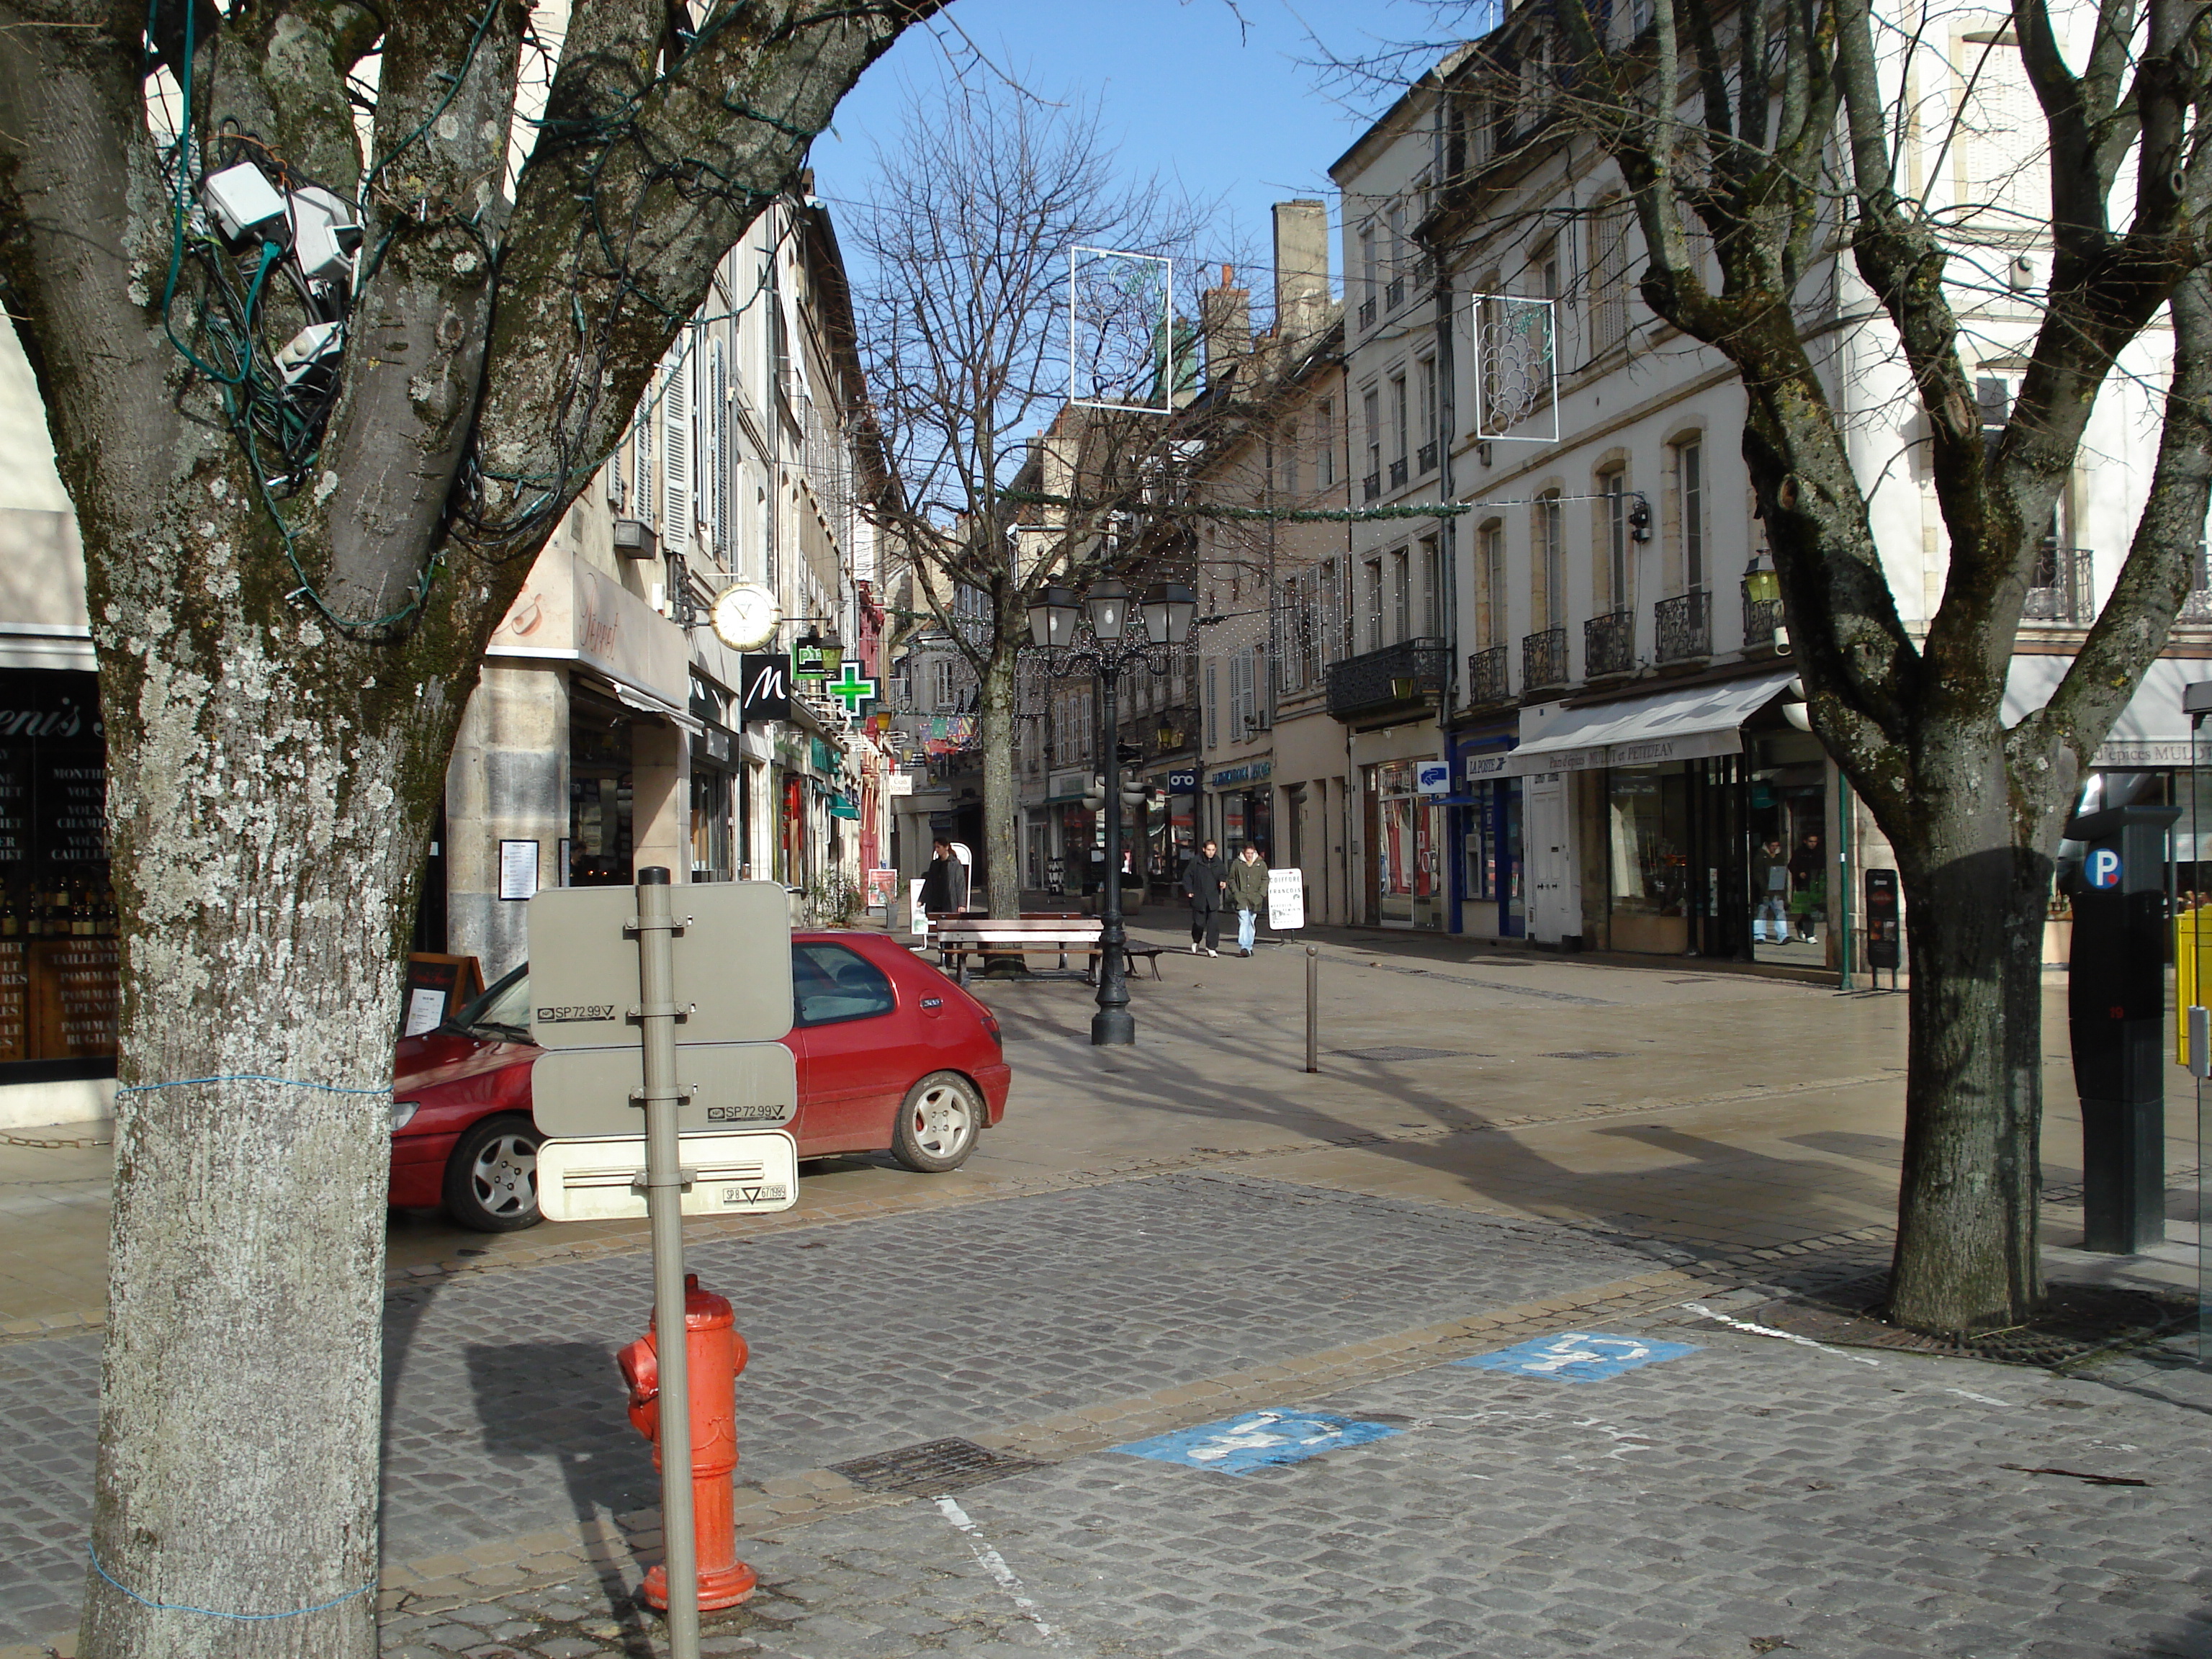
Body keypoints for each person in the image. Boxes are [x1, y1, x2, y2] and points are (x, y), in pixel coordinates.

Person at [1180, 838, 1228, 956]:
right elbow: (1187, 876)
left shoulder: (1218, 862)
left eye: (1213, 850)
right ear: (1204, 850)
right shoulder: (1196, 861)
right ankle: (1196, 940)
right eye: (1209, 850)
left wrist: (1222, 881)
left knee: (1214, 924)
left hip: (1213, 898)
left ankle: (1211, 947)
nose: (1211, 852)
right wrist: (1189, 890)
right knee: (1199, 924)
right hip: (1199, 898)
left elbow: (1223, 873)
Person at [1226, 842, 1270, 956]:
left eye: (1251, 853)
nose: (1249, 856)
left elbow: (1265, 879)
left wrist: (1261, 894)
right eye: (1247, 853)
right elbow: (1231, 879)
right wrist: (1236, 893)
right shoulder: (1237, 863)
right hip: (1242, 898)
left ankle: (1249, 946)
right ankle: (1244, 946)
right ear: (1243, 853)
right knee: (1243, 920)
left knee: (1251, 922)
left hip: (1255, 898)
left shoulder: (1261, 864)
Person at [1789, 830, 1825, 943]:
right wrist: (1799, 873)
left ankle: (1802, 926)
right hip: (1803, 886)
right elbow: (1792, 865)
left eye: (1815, 841)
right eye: (1810, 841)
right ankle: (1809, 934)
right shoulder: (1799, 852)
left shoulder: (1820, 852)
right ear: (1805, 841)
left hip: (1817, 885)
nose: (1813, 844)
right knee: (1807, 910)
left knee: (1813, 909)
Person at [1753, 837, 1791, 944]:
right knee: (1762, 910)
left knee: (1780, 911)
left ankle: (1783, 935)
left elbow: (1782, 872)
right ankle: (1759, 935)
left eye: (1776, 846)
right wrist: (1763, 887)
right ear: (1768, 845)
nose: (1774, 848)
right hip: (1764, 889)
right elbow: (1758, 874)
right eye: (1772, 846)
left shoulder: (1779, 856)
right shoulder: (1760, 856)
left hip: (1777, 889)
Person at [918, 837, 968, 915]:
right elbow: (929, 883)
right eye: (935, 847)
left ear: (946, 847)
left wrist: (962, 904)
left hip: (949, 901)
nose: (936, 850)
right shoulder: (934, 864)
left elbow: (960, 884)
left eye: (939, 847)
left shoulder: (955, 864)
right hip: (935, 901)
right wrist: (922, 899)